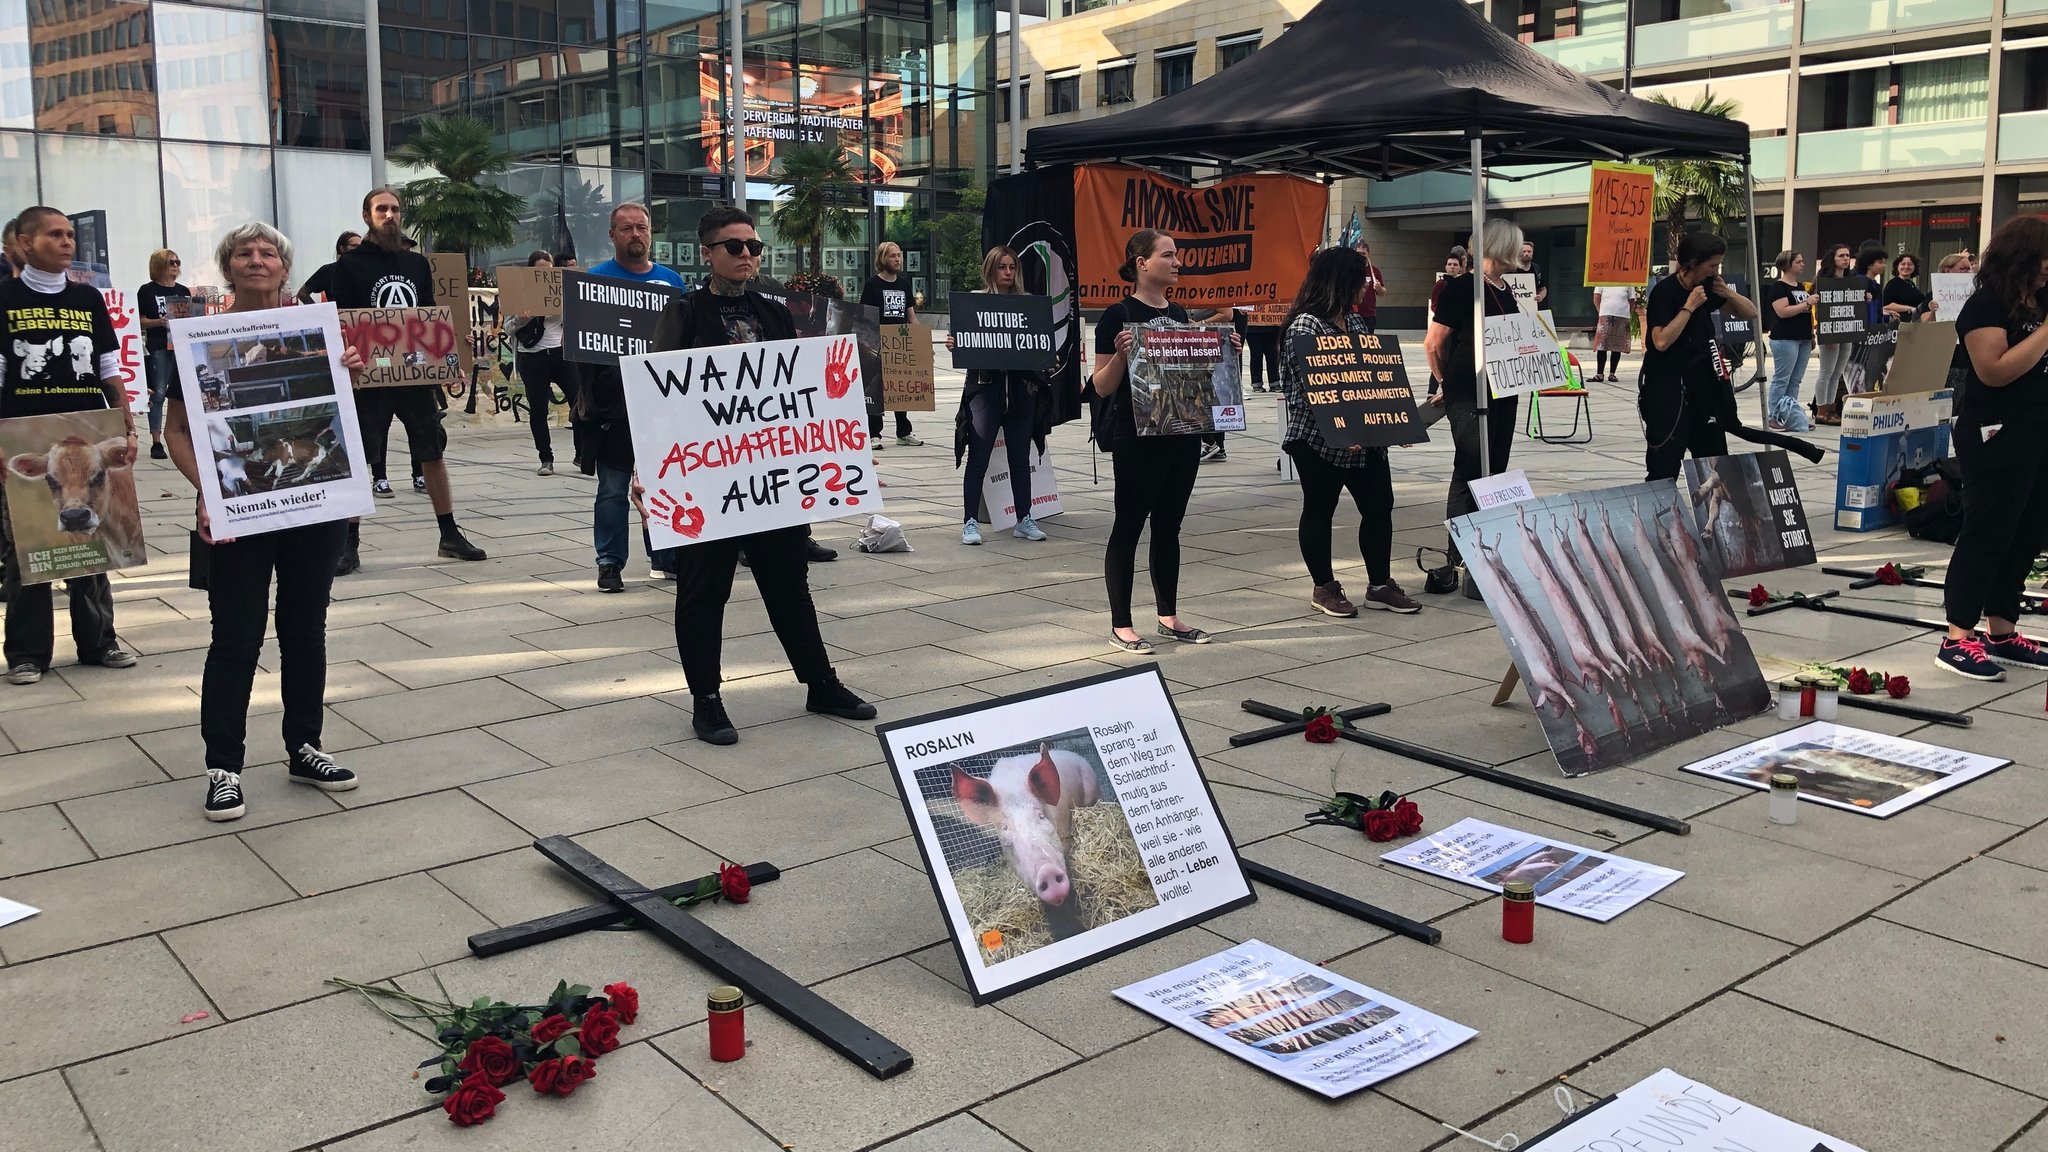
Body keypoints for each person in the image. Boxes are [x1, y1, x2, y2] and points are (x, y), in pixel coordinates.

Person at [647, 205, 876, 744]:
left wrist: (839, 456)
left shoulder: (773, 314)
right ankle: (706, 700)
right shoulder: (684, 312)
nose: (747, 254)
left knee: (789, 585)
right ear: (708, 253)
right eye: (735, 246)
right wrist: (653, 473)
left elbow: (799, 398)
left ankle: (821, 683)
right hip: (707, 481)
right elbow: (660, 398)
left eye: (754, 246)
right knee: (704, 592)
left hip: (768, 481)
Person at [162, 221, 364, 821]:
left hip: (313, 505)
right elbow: (175, 430)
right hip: (239, 506)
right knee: (236, 637)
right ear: (228, 269)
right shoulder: (198, 339)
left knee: (306, 628)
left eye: (267, 252)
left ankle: (305, 747)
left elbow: (337, 420)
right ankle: (224, 766)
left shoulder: (315, 332)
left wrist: (347, 373)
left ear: (284, 267)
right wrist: (208, 491)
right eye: (244, 253)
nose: (256, 259)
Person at [0, 206, 140, 684]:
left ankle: (99, 641)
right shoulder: (3, 297)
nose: (66, 242)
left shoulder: (88, 299)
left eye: (68, 235)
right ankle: (26, 653)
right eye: (54, 235)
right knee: (26, 548)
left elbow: (106, 367)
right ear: (24, 242)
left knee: (91, 547)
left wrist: (128, 422)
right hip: (21, 429)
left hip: (88, 431)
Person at [1090, 229, 1238, 652]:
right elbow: (1100, 387)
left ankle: (1168, 615)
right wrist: (1121, 355)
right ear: (1141, 262)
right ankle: (1121, 623)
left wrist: (1225, 351)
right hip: (1137, 437)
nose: (1177, 263)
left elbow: (1195, 378)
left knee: (1169, 526)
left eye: (1177, 256)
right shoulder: (1117, 315)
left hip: (1182, 434)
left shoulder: (1179, 314)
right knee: (1130, 525)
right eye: (1168, 255)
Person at [326, 187, 487, 567]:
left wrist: (447, 358)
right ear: (367, 216)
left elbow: (427, 318)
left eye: (395, 209)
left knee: (432, 452)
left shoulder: (416, 265)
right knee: (361, 458)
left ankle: (449, 534)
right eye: (382, 209)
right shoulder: (347, 268)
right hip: (369, 379)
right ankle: (349, 543)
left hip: (414, 377)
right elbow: (342, 323)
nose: (390, 215)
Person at [1935, 215, 2048, 682]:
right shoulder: (1985, 306)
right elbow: (1994, 370)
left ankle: (2002, 629)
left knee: (2026, 532)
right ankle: (1957, 636)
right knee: (1989, 530)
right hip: (1995, 432)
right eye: (2044, 260)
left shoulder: (2039, 301)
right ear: (2021, 258)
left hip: (2039, 429)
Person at [1279, 246, 1419, 618]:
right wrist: (1341, 427)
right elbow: (1311, 390)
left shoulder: (1355, 323)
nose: (1367, 287)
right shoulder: (1305, 326)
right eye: (1362, 280)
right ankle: (1324, 587)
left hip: (1365, 440)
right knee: (1320, 509)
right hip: (1317, 440)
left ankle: (1379, 584)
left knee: (1379, 506)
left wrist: (1392, 422)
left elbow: (1368, 381)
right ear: (1341, 281)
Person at [574, 203, 686, 593]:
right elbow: (582, 351)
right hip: (613, 406)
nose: (636, 234)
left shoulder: (672, 282)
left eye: (642, 227)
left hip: (663, 404)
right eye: (626, 229)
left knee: (665, 482)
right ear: (612, 235)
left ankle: (666, 556)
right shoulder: (594, 282)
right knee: (612, 488)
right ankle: (609, 562)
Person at [1422, 219, 1524, 594]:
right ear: (1501, 246)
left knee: (1495, 471)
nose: (1522, 252)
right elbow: (1434, 342)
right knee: (1469, 470)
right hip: (1469, 391)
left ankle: (1487, 552)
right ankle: (1458, 558)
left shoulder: (1504, 289)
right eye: (1516, 245)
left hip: (1503, 389)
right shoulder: (1463, 287)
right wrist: (1445, 382)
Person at [1638, 231, 1761, 481]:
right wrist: (1689, 307)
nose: (1716, 270)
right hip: (1669, 391)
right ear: (1692, 263)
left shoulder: (1708, 287)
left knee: (1715, 462)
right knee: (1665, 464)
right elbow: (1660, 341)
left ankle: (1714, 515)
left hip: (1704, 390)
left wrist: (1727, 293)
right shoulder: (1665, 292)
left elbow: (1751, 313)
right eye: (1712, 265)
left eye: (1719, 265)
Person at [949, 246, 1051, 545]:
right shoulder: (975, 302)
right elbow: (970, 341)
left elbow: (1038, 344)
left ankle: (1024, 517)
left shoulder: (1028, 305)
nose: (1008, 273)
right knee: (977, 457)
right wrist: (958, 343)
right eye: (1002, 267)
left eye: (1012, 267)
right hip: (985, 390)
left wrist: (1046, 356)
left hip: (1021, 392)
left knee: (1020, 457)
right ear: (991, 269)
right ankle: (970, 520)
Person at [508, 249, 571, 477]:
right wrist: (523, 318)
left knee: (580, 402)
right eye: (538, 272)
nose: (544, 276)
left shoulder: (563, 291)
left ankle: (583, 452)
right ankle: (546, 458)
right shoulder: (520, 294)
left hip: (561, 354)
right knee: (538, 410)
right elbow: (508, 328)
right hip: (532, 357)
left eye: (548, 271)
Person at [859, 242, 922, 448]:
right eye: (893, 256)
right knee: (876, 389)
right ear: (883, 259)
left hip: (899, 343)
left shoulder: (904, 285)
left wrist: (921, 342)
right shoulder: (872, 284)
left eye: (900, 255)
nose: (898, 259)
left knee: (900, 387)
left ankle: (904, 431)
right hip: (877, 344)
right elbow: (865, 316)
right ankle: (874, 433)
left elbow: (911, 316)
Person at [137, 248, 192, 461]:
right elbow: (139, 320)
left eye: (178, 262)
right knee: (158, 392)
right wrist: (159, 322)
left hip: (180, 345)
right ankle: (156, 440)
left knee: (182, 393)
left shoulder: (183, 290)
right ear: (160, 265)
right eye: (172, 262)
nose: (176, 266)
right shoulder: (147, 291)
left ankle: (184, 434)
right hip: (160, 344)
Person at [1763, 250, 1814, 433]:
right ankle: (1773, 416)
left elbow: (1805, 314)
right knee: (1782, 379)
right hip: (1785, 338)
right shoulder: (1779, 287)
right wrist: (1807, 303)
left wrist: (1811, 335)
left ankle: (1791, 415)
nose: (1802, 264)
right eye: (1799, 261)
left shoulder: (1799, 285)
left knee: (1795, 380)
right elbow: (1782, 312)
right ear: (1788, 265)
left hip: (1803, 338)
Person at [1190, 305, 1245, 463]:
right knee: (1205, 392)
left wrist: (1200, 324)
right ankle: (1216, 445)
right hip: (1199, 343)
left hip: (1212, 343)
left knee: (1203, 391)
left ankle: (1212, 442)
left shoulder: (1212, 290)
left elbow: (1226, 314)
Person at [1811, 243, 1856, 425]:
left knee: (1837, 373)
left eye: (1847, 255)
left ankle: (1830, 408)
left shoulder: (1851, 280)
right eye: (1841, 256)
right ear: (1833, 259)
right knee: (1826, 372)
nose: (1845, 258)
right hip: (1829, 329)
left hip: (1847, 329)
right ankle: (1821, 409)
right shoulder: (1823, 281)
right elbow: (1819, 308)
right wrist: (1825, 332)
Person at [296, 231, 361, 304]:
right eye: (354, 246)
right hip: (338, 314)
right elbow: (302, 293)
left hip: (365, 314)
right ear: (342, 248)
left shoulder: (366, 270)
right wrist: (320, 313)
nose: (359, 249)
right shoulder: (327, 270)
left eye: (361, 246)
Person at [1591, 284, 1635, 383]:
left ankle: (1612, 373)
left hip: (1622, 316)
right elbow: (1597, 297)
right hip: (1606, 315)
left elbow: (1631, 300)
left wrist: (1627, 311)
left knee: (1617, 346)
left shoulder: (1628, 282)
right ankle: (1599, 373)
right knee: (1602, 345)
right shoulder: (1603, 280)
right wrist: (1600, 310)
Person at [1349, 241, 1385, 334]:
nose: (1361, 256)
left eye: (1363, 253)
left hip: (1368, 314)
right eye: (1358, 253)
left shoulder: (1374, 271)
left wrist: (1379, 288)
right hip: (1352, 313)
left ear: (1368, 254)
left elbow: (1383, 293)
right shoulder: (1350, 270)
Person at [1245, 304, 1281, 394]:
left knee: (1273, 355)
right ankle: (1257, 383)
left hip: (1273, 326)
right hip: (1253, 327)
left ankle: (1274, 382)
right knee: (1256, 355)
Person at [1884, 253, 1929, 323]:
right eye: (1903, 264)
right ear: (1897, 267)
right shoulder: (1893, 284)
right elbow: (1886, 306)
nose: (1906, 266)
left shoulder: (1911, 284)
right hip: (1899, 324)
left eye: (1910, 264)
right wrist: (1910, 308)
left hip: (1914, 323)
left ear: (1914, 267)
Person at [1520, 239, 1548, 307]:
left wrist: (1541, 297)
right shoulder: (1511, 268)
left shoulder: (1537, 269)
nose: (1526, 254)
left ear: (1532, 253)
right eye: (1524, 251)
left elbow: (1543, 289)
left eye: (1529, 251)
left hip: (1531, 307)